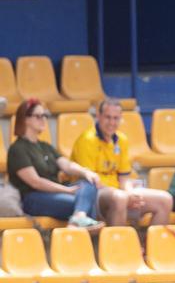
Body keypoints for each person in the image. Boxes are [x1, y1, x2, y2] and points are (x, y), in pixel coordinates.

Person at [71, 98, 171, 226]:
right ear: (98, 116)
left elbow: (124, 178)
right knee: (120, 198)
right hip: (92, 194)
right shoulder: (87, 140)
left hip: (118, 191)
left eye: (116, 118)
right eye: (108, 117)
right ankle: (117, 244)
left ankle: (150, 245)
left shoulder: (121, 140)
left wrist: (130, 193)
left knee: (165, 200)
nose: (112, 122)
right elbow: (91, 181)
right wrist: (125, 195)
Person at [7, 98, 104, 229]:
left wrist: (86, 172)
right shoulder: (17, 149)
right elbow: (35, 182)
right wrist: (66, 190)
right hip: (33, 198)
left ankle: (78, 219)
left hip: (55, 193)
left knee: (88, 183)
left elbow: (67, 165)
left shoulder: (45, 146)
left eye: (45, 116)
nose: (43, 120)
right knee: (84, 203)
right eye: (38, 116)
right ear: (25, 119)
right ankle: (80, 227)